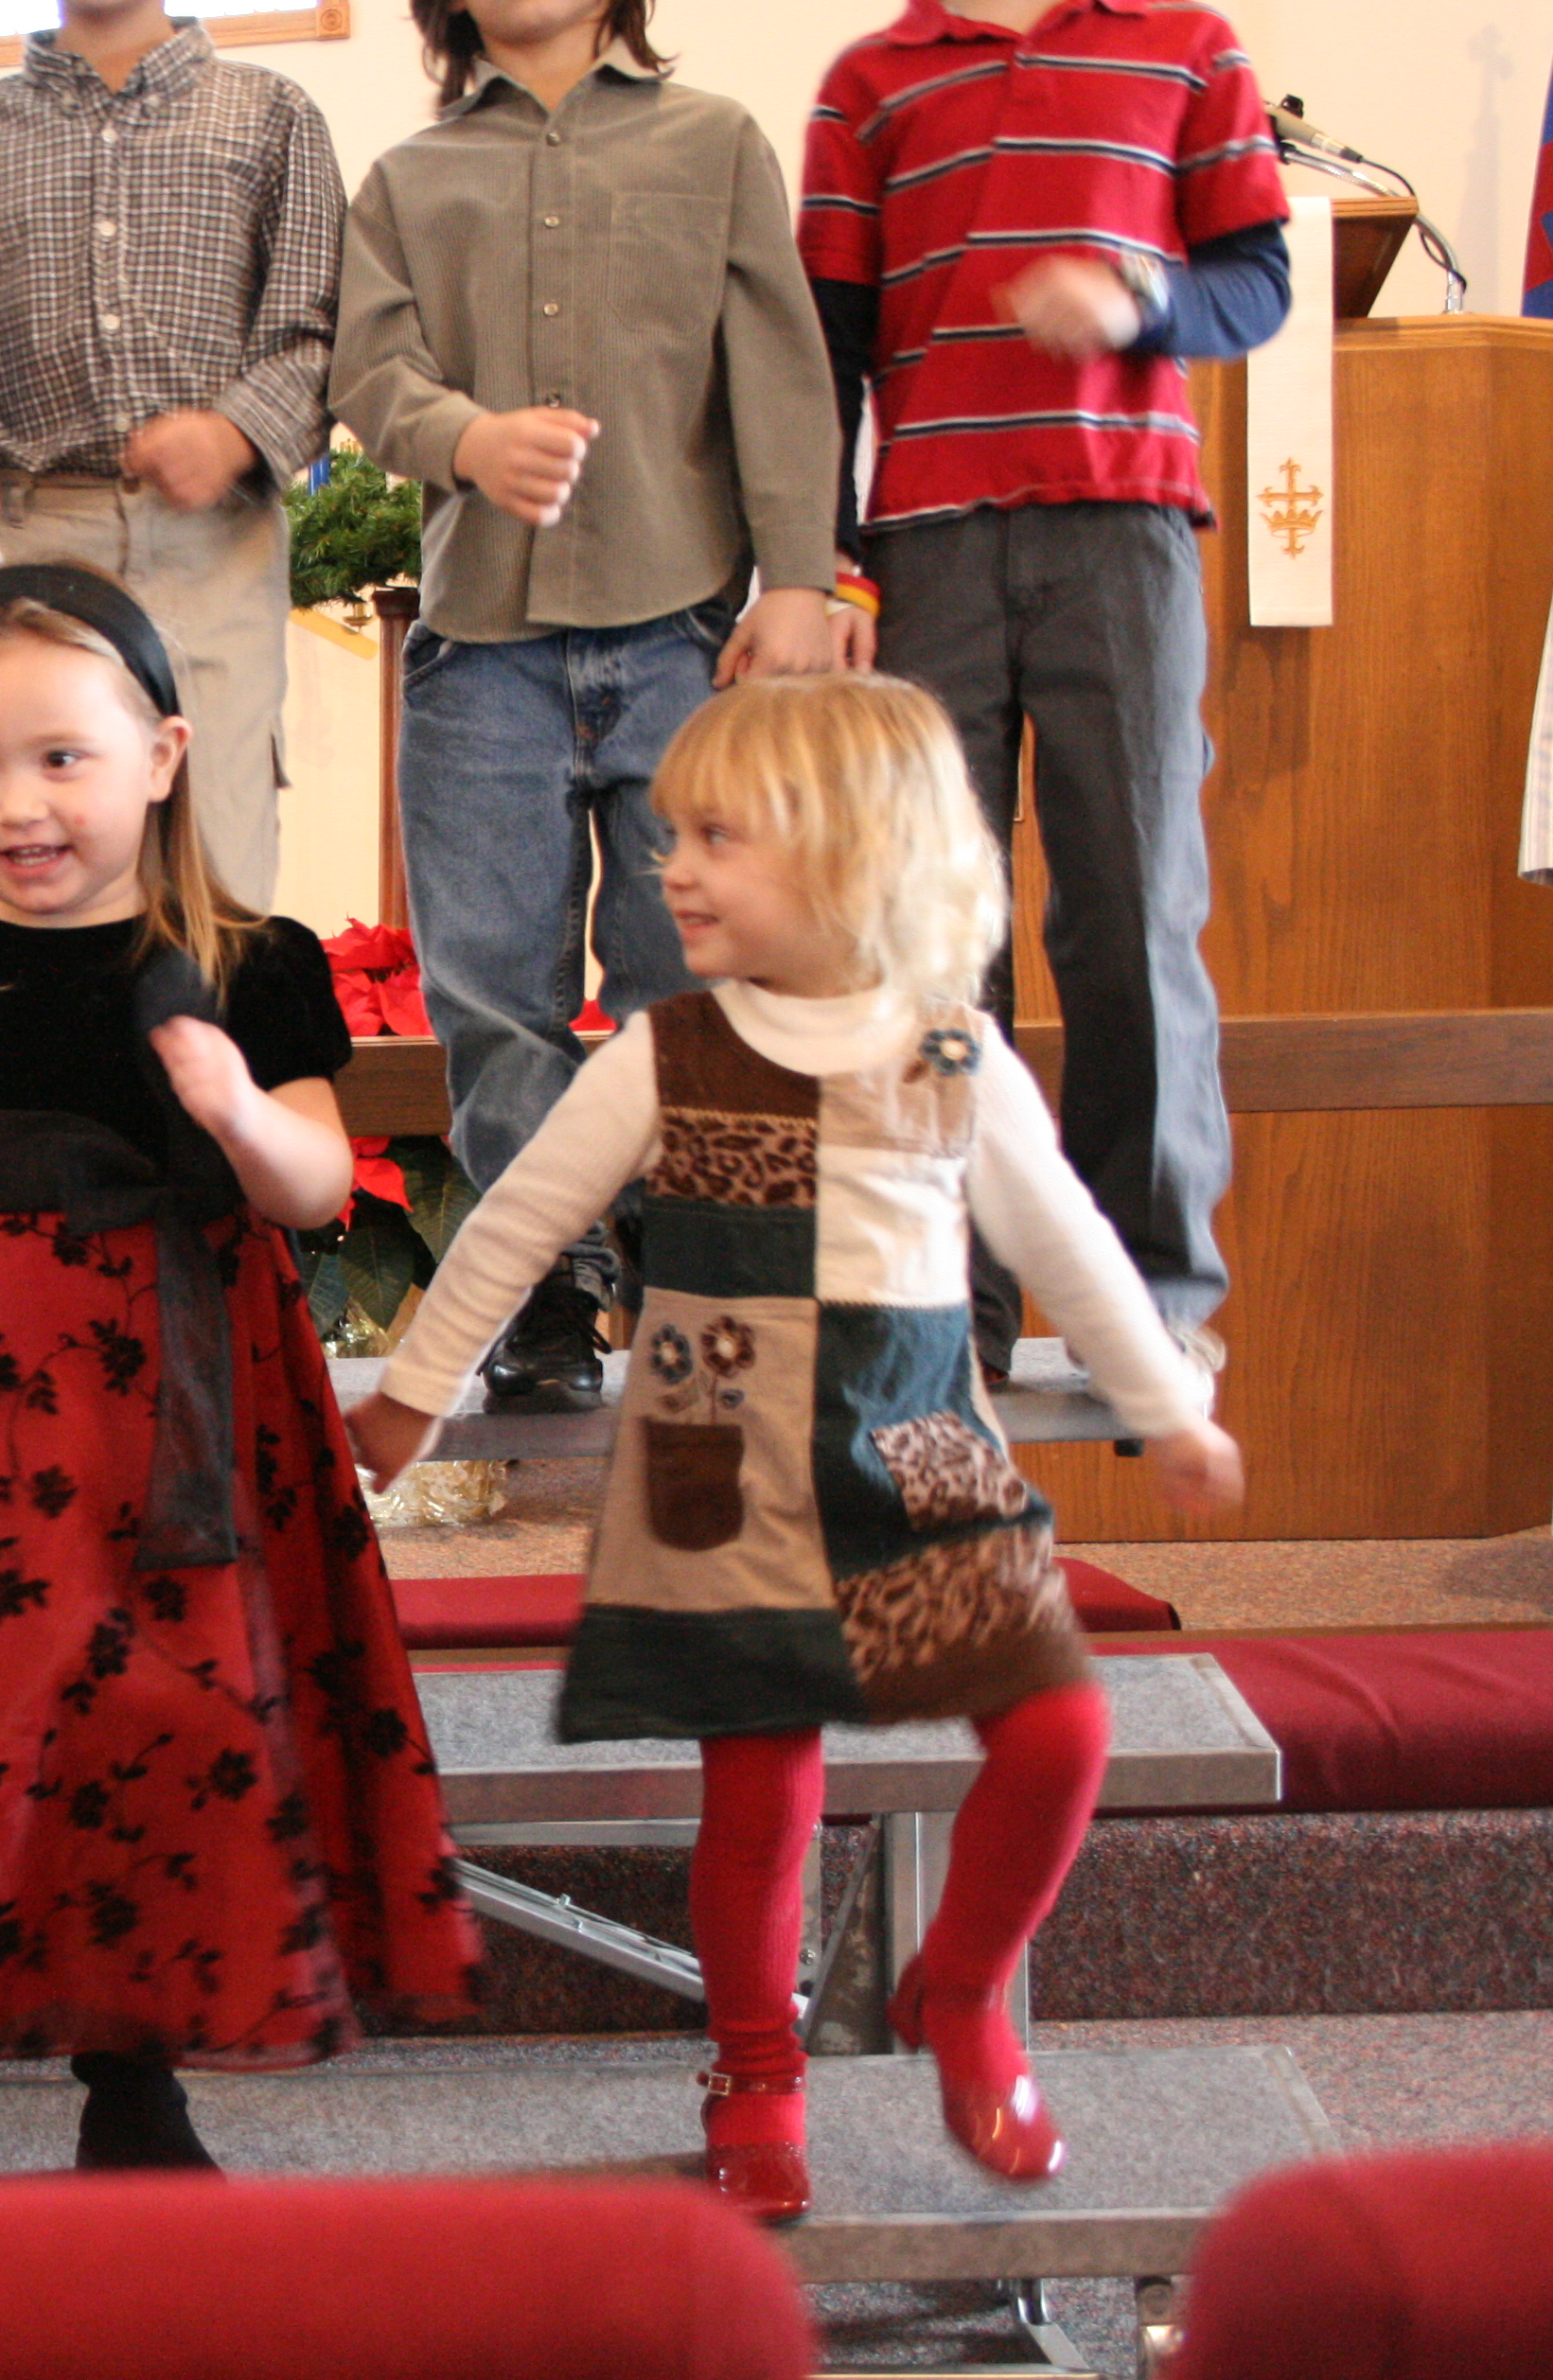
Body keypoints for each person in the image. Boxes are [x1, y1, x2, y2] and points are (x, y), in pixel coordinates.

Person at [347, 673, 1242, 2225]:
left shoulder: (951, 1055)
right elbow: (517, 1224)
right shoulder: (667, 1052)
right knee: (762, 1797)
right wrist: (417, 1390)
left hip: (916, 1446)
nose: (671, 869)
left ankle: (961, 1988)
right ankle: (755, 2071)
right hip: (724, 1457)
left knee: (1055, 1731)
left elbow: (1070, 1247)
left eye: (718, 838)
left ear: (852, 852)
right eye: (673, 836)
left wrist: (1166, 1405)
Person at [0, 564, 476, 2169]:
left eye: (59, 758)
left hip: (204, 1404)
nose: (15, 805)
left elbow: (311, 1183)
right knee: (23, 1705)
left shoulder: (246, 962)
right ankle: (80, 2048)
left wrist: (234, 1111)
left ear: (161, 755)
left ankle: (137, 2081)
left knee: (186, 1709)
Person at [332, 0, 844, 1416]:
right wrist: (465, 439)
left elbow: (781, 374)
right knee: (493, 991)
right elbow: (369, 370)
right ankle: (540, 1284)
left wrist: (799, 577)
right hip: (481, 652)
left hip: (682, 633)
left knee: (690, 969)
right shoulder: (409, 181)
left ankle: (693, 1258)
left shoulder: (715, 144)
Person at [801, 0, 1290, 1380]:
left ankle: (1153, 1291)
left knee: (1134, 912)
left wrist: (1139, 302)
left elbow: (1256, 280)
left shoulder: (1189, 47)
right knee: (934, 937)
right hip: (926, 552)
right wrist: (828, 562)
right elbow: (823, 356)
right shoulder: (869, 82)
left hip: (1123, 537)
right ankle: (954, 1303)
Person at [0, 0, 340, 911]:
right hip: (24, 546)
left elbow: (318, 331)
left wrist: (237, 432)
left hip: (214, 549)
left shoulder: (274, 118)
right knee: (26, 864)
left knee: (217, 866)